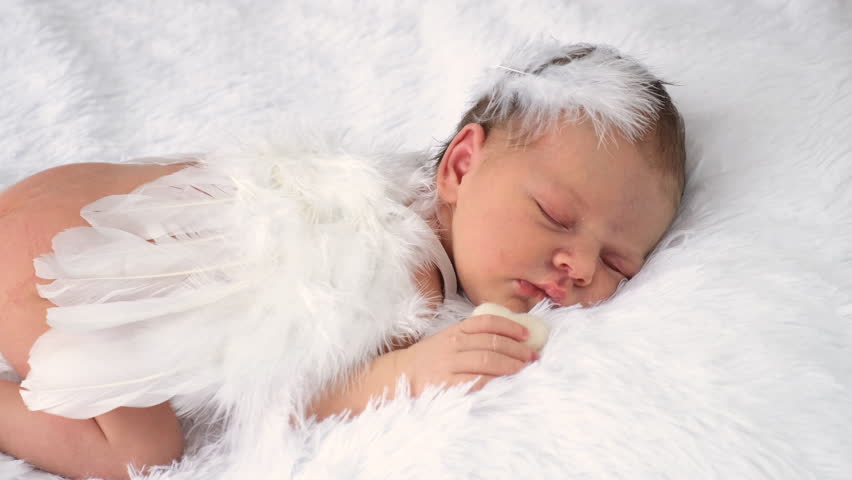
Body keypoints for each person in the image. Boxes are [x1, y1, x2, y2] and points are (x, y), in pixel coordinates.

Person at [0, 42, 684, 479]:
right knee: (140, 455)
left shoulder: (384, 185)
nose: (578, 264)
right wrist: (409, 370)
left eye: (617, 262)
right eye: (556, 217)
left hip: (55, 202)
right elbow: (287, 394)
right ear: (461, 165)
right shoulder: (405, 272)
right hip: (61, 268)